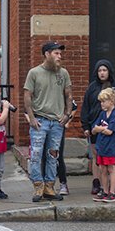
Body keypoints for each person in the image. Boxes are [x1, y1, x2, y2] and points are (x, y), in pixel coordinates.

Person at [24, 41, 72, 202]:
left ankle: (50, 187)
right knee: (36, 155)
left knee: (53, 156)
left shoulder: (63, 73)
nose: (60, 56)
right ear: (47, 54)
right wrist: (31, 117)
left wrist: (67, 115)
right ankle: (38, 186)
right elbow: (27, 96)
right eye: (56, 53)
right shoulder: (34, 73)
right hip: (40, 120)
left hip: (57, 122)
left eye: (60, 53)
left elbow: (68, 95)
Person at [81, 59, 115, 195]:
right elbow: (85, 107)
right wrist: (86, 126)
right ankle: (97, 183)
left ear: (109, 71)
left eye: (104, 70)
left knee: (112, 158)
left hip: (111, 127)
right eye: (99, 70)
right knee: (97, 156)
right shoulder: (92, 87)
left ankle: (114, 185)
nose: (102, 73)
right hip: (95, 125)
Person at [91, 88, 115, 203]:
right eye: (101, 101)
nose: (102, 104)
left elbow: (110, 131)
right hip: (101, 146)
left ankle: (112, 192)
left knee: (111, 168)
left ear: (112, 101)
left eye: (104, 101)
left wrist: (99, 128)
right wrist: (99, 129)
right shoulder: (102, 114)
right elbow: (94, 129)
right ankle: (105, 191)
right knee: (102, 169)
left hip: (111, 147)